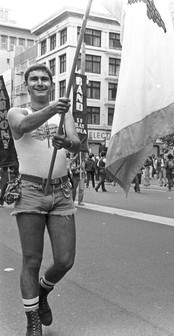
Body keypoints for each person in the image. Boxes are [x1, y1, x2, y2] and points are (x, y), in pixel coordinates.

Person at [7, 63, 81, 335]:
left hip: (61, 192)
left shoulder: (64, 113)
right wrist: (52, 109)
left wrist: (66, 143)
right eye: (34, 79)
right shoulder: (18, 111)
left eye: (44, 79)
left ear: (52, 84)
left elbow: (76, 143)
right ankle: (32, 321)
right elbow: (22, 127)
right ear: (26, 85)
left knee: (65, 260)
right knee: (31, 260)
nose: (40, 83)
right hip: (30, 191)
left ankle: (42, 291)